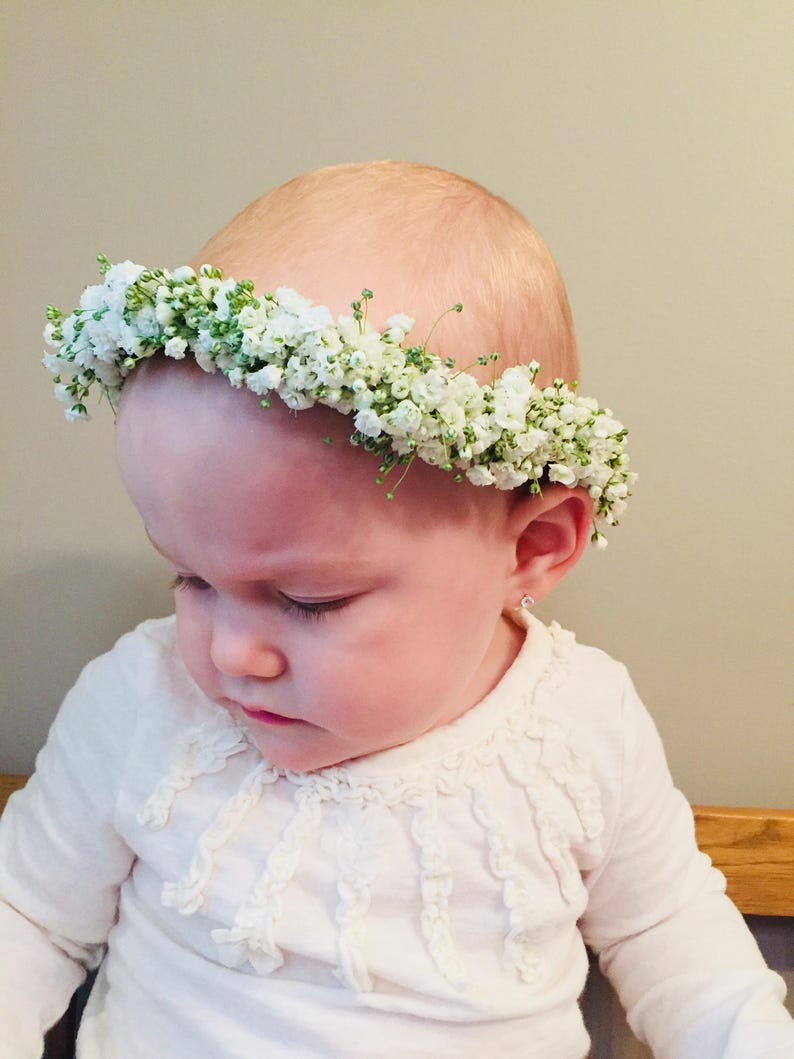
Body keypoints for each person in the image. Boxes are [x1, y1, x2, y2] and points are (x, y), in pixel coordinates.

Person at [1, 161, 791, 1058]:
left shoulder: (581, 727)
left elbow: (677, 946)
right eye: (189, 578)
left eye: (308, 600)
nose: (230, 650)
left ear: (530, 547)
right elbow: (25, 916)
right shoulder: (144, 702)